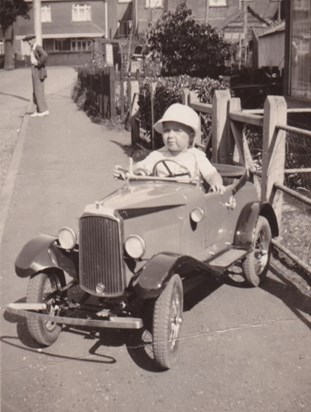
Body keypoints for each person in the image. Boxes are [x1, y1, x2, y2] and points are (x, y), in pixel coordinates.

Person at [114, 103, 225, 193]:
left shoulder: (197, 156)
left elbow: (212, 174)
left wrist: (216, 184)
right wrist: (126, 172)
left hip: (190, 203)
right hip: (163, 200)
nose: (170, 136)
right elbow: (137, 168)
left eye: (177, 131)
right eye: (166, 130)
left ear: (191, 137)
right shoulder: (158, 155)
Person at [23, 34, 49, 117]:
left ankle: (43, 110)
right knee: (35, 90)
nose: (28, 42)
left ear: (33, 39)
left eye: (29, 40)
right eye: (27, 41)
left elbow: (45, 55)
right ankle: (39, 110)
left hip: (38, 70)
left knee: (38, 90)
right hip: (35, 69)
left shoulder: (37, 47)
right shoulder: (33, 48)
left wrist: (38, 63)